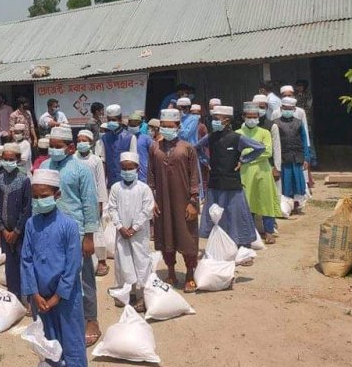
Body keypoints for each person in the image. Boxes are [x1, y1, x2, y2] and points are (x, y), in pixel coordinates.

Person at [20, 169, 87, 367]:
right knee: (48, 341)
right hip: (40, 298)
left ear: (56, 195)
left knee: (72, 339)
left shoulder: (68, 225)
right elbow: (26, 259)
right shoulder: (31, 224)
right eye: (35, 197)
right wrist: (33, 293)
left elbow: (73, 264)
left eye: (44, 195)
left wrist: (59, 295)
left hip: (66, 299)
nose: (40, 200)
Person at [39, 126, 100, 347]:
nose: (54, 150)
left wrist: (89, 237)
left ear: (70, 147)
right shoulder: (44, 167)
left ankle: (91, 319)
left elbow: (89, 203)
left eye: (58, 147)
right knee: (55, 276)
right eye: (51, 146)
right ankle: (61, 319)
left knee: (84, 278)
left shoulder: (81, 170)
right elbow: (39, 200)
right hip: (50, 231)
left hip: (77, 232)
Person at [197, 106, 264, 252]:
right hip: (215, 182)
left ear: (226, 121)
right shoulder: (210, 137)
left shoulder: (236, 138)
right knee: (215, 215)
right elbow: (197, 148)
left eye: (216, 119)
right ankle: (220, 246)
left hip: (232, 183)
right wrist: (206, 161)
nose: (213, 122)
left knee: (236, 215)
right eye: (212, 119)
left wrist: (244, 159)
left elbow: (259, 148)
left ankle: (242, 246)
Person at [148, 109, 200, 293]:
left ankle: (189, 274)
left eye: (171, 127)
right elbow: (151, 176)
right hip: (162, 201)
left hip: (183, 201)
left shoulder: (187, 148)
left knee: (187, 236)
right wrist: (152, 201)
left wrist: (193, 201)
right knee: (165, 236)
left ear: (178, 127)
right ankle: (170, 272)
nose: (167, 129)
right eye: (164, 126)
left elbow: (194, 175)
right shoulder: (154, 147)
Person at [108, 152, 154, 311]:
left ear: (137, 168)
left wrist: (134, 228)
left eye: (130, 168)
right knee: (123, 262)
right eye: (124, 168)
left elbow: (147, 211)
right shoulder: (115, 188)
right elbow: (112, 209)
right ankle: (127, 293)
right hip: (122, 234)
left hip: (139, 235)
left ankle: (143, 295)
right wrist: (120, 227)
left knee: (141, 262)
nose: (127, 171)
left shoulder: (144, 188)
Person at [238, 102, 281, 245]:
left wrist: (246, 156)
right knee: (247, 201)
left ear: (258, 117)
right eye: (249, 116)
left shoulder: (264, 132)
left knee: (266, 200)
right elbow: (238, 153)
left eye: (255, 117)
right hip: (245, 173)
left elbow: (268, 151)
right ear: (243, 117)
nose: (252, 119)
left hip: (263, 171)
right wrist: (256, 151)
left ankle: (269, 232)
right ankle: (249, 234)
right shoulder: (238, 134)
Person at [0, 142, 31, 301]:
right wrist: (3, 229)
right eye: (5, 159)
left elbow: (27, 208)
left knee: (24, 263)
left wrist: (16, 231)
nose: (8, 162)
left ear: (18, 159)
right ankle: (14, 296)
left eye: (11, 159)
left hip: (20, 233)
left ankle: (27, 298)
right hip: (5, 231)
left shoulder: (24, 180)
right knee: (10, 266)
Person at [75, 129, 109, 277]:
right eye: (79, 140)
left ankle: (102, 260)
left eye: (85, 140)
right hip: (76, 199)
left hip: (93, 199)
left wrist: (101, 202)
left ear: (90, 143)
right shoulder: (72, 159)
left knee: (96, 229)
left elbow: (101, 182)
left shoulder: (95, 160)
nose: (81, 143)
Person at [274, 96, 310, 213]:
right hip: (284, 158)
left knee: (298, 183)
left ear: (294, 109)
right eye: (286, 108)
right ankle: (285, 206)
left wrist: (306, 157)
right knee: (285, 182)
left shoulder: (299, 123)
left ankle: (296, 205)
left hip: (297, 157)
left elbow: (304, 140)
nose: (288, 110)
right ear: (281, 108)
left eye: (291, 108)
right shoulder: (276, 123)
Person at [101, 104, 136, 186]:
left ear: (120, 120)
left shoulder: (130, 137)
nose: (111, 122)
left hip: (126, 181)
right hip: (109, 182)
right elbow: (103, 162)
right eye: (109, 120)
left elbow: (134, 162)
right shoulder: (104, 138)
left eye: (113, 120)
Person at [127, 111, 152, 183]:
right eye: (131, 125)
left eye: (134, 125)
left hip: (143, 172)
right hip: (128, 171)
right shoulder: (124, 138)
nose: (132, 127)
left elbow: (152, 154)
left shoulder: (146, 139)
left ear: (140, 125)